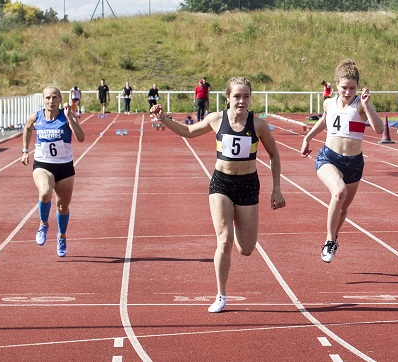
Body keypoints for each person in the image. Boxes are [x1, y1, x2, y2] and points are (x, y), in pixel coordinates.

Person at [150, 77, 285, 313]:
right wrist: (164, 119)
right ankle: (221, 295)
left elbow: (274, 154)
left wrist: (276, 189)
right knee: (224, 239)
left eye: (245, 96)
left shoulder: (258, 125)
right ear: (227, 98)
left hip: (248, 185)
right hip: (221, 184)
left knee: (246, 248)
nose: (241, 101)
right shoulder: (216, 119)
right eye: (237, 96)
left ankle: (228, 275)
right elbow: (189, 131)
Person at [300, 59, 384, 263]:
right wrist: (307, 138)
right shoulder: (328, 102)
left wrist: (367, 105)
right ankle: (329, 241)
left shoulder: (361, 106)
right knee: (338, 192)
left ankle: (334, 237)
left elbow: (380, 130)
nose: (348, 92)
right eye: (344, 87)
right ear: (336, 84)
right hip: (329, 157)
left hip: (354, 163)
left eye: (352, 88)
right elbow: (323, 120)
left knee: (344, 208)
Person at [20, 86, 86, 257]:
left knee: (63, 206)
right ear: (43, 99)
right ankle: (43, 224)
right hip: (43, 165)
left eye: (55, 97)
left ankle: (61, 236)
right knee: (45, 193)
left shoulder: (66, 117)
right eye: (48, 97)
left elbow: (81, 137)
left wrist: (71, 118)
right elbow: (27, 128)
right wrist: (25, 151)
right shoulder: (37, 116)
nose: (51, 101)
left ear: (60, 99)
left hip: (64, 167)